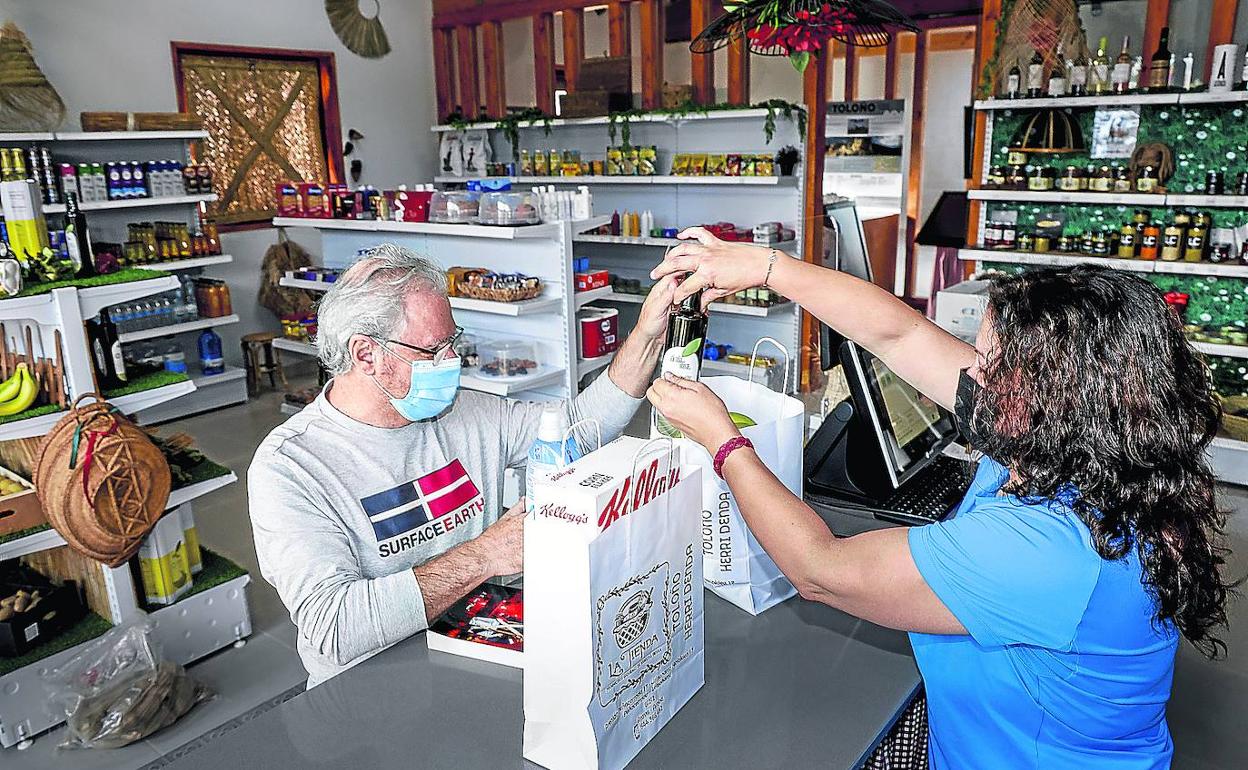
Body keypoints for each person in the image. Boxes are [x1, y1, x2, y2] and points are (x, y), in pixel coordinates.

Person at [647, 228, 1233, 769]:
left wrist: (724, 441)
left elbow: (820, 571)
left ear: (1052, 393)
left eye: (990, 363)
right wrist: (766, 267)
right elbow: (898, 334)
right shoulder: (1092, 450)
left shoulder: (1049, 549)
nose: (972, 373)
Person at [249, 243, 674, 686]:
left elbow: (576, 430)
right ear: (365, 355)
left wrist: (647, 335)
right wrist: (488, 554)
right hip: (375, 690)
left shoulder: (465, 412)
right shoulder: (291, 467)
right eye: (432, 350)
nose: (451, 362)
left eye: (452, 342)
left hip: (483, 647)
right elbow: (334, 627)